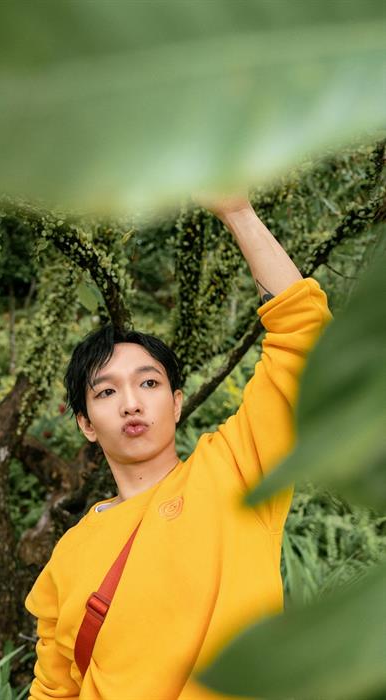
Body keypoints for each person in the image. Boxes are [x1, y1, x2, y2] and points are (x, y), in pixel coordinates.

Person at [25, 195, 332, 699]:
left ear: (176, 403)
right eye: (106, 392)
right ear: (86, 424)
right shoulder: (69, 557)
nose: (131, 403)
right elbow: (53, 689)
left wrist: (238, 213)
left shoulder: (237, 471)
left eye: (148, 383)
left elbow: (304, 338)